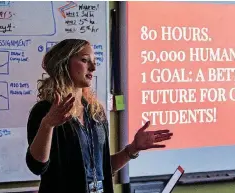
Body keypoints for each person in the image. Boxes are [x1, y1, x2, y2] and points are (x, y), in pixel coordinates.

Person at [26, 39, 173, 193]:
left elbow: (102, 170)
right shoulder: (44, 111)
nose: (93, 67)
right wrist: (47, 125)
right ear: (63, 64)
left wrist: (132, 149)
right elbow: (37, 166)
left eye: (94, 62)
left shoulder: (95, 112)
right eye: (84, 60)